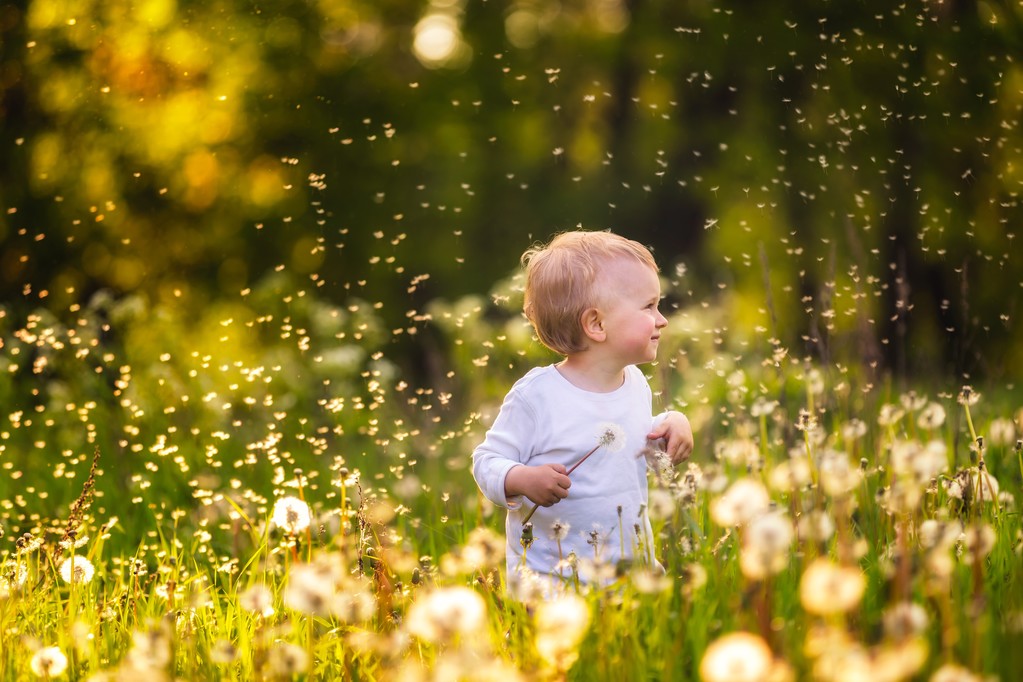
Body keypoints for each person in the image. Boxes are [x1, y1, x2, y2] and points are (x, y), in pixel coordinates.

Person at [471, 230, 694, 592]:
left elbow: (621, 448)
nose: (662, 319)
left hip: (629, 576)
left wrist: (670, 426)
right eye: (648, 306)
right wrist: (521, 478)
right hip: (552, 585)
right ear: (596, 324)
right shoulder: (538, 396)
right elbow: (486, 460)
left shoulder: (635, 383)